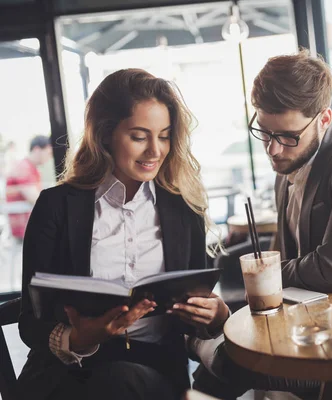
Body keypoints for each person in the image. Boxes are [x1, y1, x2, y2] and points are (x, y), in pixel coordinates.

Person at [193, 50, 332, 398]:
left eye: (288, 136)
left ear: (324, 119)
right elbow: (289, 261)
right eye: (264, 131)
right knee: (214, 368)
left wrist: (267, 273)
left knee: (224, 366)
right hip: (308, 327)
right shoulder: (289, 166)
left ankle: (215, 347)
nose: (273, 150)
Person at [17, 69, 230, 400]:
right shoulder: (56, 206)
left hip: (155, 370)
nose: (155, 151)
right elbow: (31, 322)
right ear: (105, 135)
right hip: (68, 371)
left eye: (164, 135)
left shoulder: (184, 209)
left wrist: (215, 317)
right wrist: (79, 338)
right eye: (139, 136)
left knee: (121, 380)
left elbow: (192, 315)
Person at [5, 135, 52, 240]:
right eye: (48, 153)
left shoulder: (32, 169)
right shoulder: (24, 168)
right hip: (24, 229)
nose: (50, 157)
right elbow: (35, 198)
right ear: (37, 150)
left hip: (30, 225)